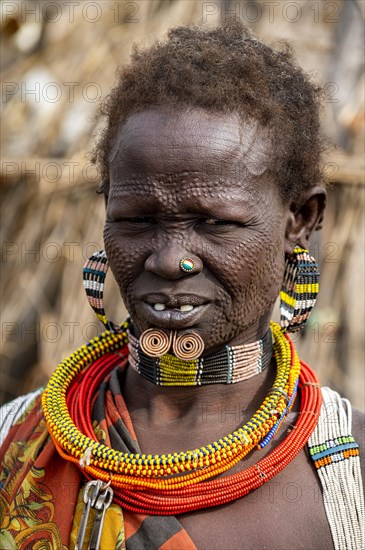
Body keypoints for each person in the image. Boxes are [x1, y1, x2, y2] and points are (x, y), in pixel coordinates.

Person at [0, 22, 363, 550]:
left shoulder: (348, 473)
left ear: (300, 219)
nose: (170, 260)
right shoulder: (16, 443)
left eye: (214, 223)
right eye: (137, 220)